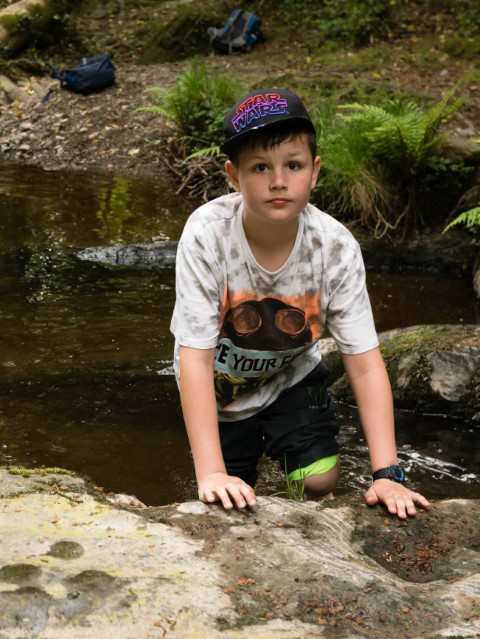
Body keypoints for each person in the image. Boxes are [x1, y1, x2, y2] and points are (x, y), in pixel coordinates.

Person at [170, 88, 430, 519]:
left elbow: (364, 363)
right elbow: (194, 360)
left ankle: (297, 471)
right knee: (230, 496)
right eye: (260, 167)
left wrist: (387, 473)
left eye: (293, 165)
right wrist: (211, 473)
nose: (278, 181)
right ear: (233, 176)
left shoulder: (334, 248)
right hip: (219, 388)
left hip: (290, 375)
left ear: (314, 171)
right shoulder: (205, 237)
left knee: (320, 481)